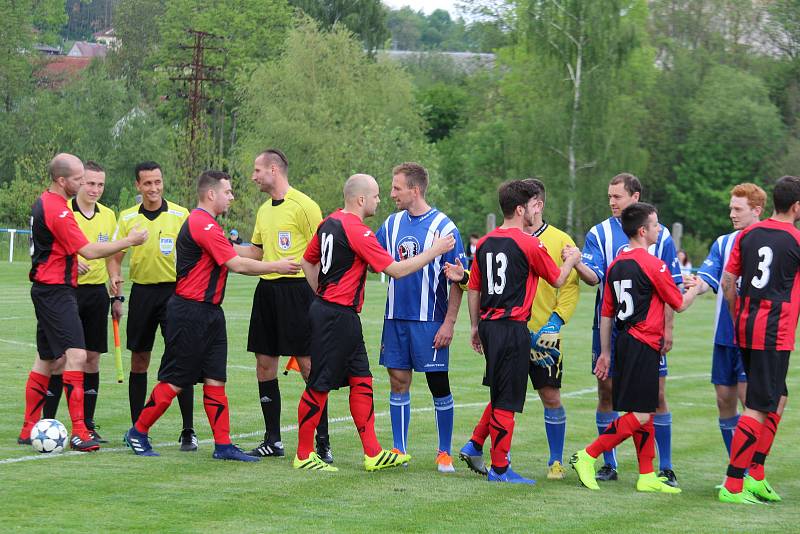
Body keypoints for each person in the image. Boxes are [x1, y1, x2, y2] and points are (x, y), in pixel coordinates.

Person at [123, 170, 302, 460]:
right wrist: (277, 266)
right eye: (228, 192)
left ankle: (223, 445)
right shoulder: (200, 223)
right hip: (189, 312)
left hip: (211, 314)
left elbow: (239, 255)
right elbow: (236, 264)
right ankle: (138, 432)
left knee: (216, 378)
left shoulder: (211, 226)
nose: (231, 197)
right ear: (211, 194)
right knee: (176, 378)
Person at [293, 173, 455, 472]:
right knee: (319, 384)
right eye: (378, 195)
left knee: (362, 379)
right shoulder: (358, 230)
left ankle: (373, 453)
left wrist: (321, 294)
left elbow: (307, 261)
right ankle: (303, 455)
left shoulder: (329, 222)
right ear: (361, 199)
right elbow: (395, 270)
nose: (382, 200)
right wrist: (434, 251)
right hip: (335, 315)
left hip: (340, 314)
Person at [450, 179, 580, 484]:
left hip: (489, 324)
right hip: (512, 327)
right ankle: (500, 467)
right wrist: (572, 259)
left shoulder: (484, 242)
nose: (536, 212)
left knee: (500, 391)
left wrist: (473, 327)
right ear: (521, 209)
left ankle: (475, 444)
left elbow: (476, 286)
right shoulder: (530, 243)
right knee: (508, 398)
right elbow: (558, 280)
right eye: (532, 206)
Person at [19, 153, 147, 451]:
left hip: (47, 288)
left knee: (46, 358)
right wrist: (129, 241)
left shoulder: (47, 203)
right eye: (78, 179)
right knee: (76, 355)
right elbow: (88, 251)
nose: (83, 183)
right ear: (62, 180)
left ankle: (28, 428)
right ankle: (79, 431)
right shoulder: (59, 210)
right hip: (56, 291)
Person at [570, 202, 698, 494]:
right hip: (643, 343)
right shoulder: (654, 264)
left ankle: (646, 474)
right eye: (655, 225)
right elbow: (677, 304)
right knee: (640, 414)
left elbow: (606, 312)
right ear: (643, 231)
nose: (658, 229)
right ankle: (587, 456)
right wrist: (693, 288)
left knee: (644, 410)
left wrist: (605, 352)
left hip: (623, 341)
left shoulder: (616, 264)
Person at [235, 149, 328, 461]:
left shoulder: (304, 205)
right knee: (264, 365)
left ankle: (322, 441)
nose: (253, 176)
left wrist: (321, 293)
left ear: (274, 170)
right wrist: (224, 249)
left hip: (298, 291)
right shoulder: (264, 210)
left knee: (308, 366)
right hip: (268, 291)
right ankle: (272, 439)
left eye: (257, 170)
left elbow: (323, 250)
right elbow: (258, 253)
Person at [376, 162, 466, 473]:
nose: (392, 194)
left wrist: (449, 323)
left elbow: (458, 280)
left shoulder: (445, 228)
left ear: (415, 190)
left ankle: (444, 452)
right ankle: (399, 449)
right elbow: (371, 254)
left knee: (438, 384)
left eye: (397, 188)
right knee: (398, 381)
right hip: (395, 317)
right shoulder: (390, 225)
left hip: (430, 321)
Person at [717, 176, 800, 504]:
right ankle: (734, 484)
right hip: (774, 333)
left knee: (777, 398)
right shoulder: (795, 239)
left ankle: (757, 474)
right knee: (757, 406)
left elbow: (728, 282)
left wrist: (738, 315)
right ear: (796, 207)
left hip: (747, 327)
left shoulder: (747, 235)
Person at [108, 162, 195, 450]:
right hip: (143, 293)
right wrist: (115, 280)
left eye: (158, 182)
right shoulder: (128, 217)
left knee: (181, 360)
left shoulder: (181, 214)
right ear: (138, 185)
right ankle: (138, 428)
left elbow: (196, 251)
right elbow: (115, 256)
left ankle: (188, 430)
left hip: (176, 294)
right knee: (140, 360)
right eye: (147, 183)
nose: (154, 188)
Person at [41, 161, 124, 443]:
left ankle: (87, 424)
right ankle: (47, 422)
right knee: (60, 359)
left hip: (95, 295)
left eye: (100, 184)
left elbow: (113, 256)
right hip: (66, 291)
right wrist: (75, 261)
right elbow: (60, 246)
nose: (95, 189)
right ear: (78, 182)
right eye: (90, 183)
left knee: (91, 359)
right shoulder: (64, 210)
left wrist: (115, 288)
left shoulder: (108, 215)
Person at [694, 184, 765, 460]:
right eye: (731, 209)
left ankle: (750, 471)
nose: (732, 214)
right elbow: (706, 279)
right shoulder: (723, 243)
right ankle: (736, 466)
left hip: (753, 336)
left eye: (738, 209)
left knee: (751, 405)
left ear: (756, 210)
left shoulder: (768, 242)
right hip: (724, 336)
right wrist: (690, 288)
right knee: (724, 402)